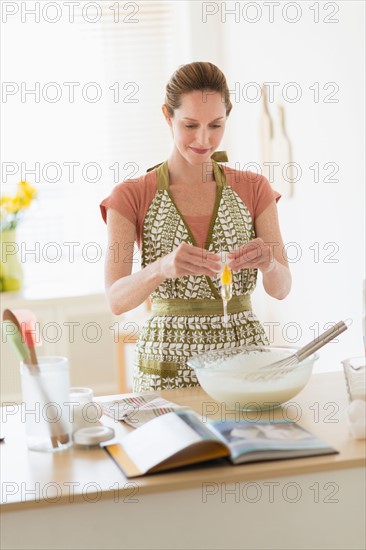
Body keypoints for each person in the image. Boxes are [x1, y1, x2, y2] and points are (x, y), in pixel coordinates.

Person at [100, 61, 292, 392]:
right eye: (190, 125)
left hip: (243, 362)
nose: (203, 140)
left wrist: (269, 263)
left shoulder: (254, 187)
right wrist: (160, 268)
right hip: (166, 368)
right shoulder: (130, 195)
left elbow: (281, 288)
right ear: (167, 116)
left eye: (215, 125)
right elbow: (116, 301)